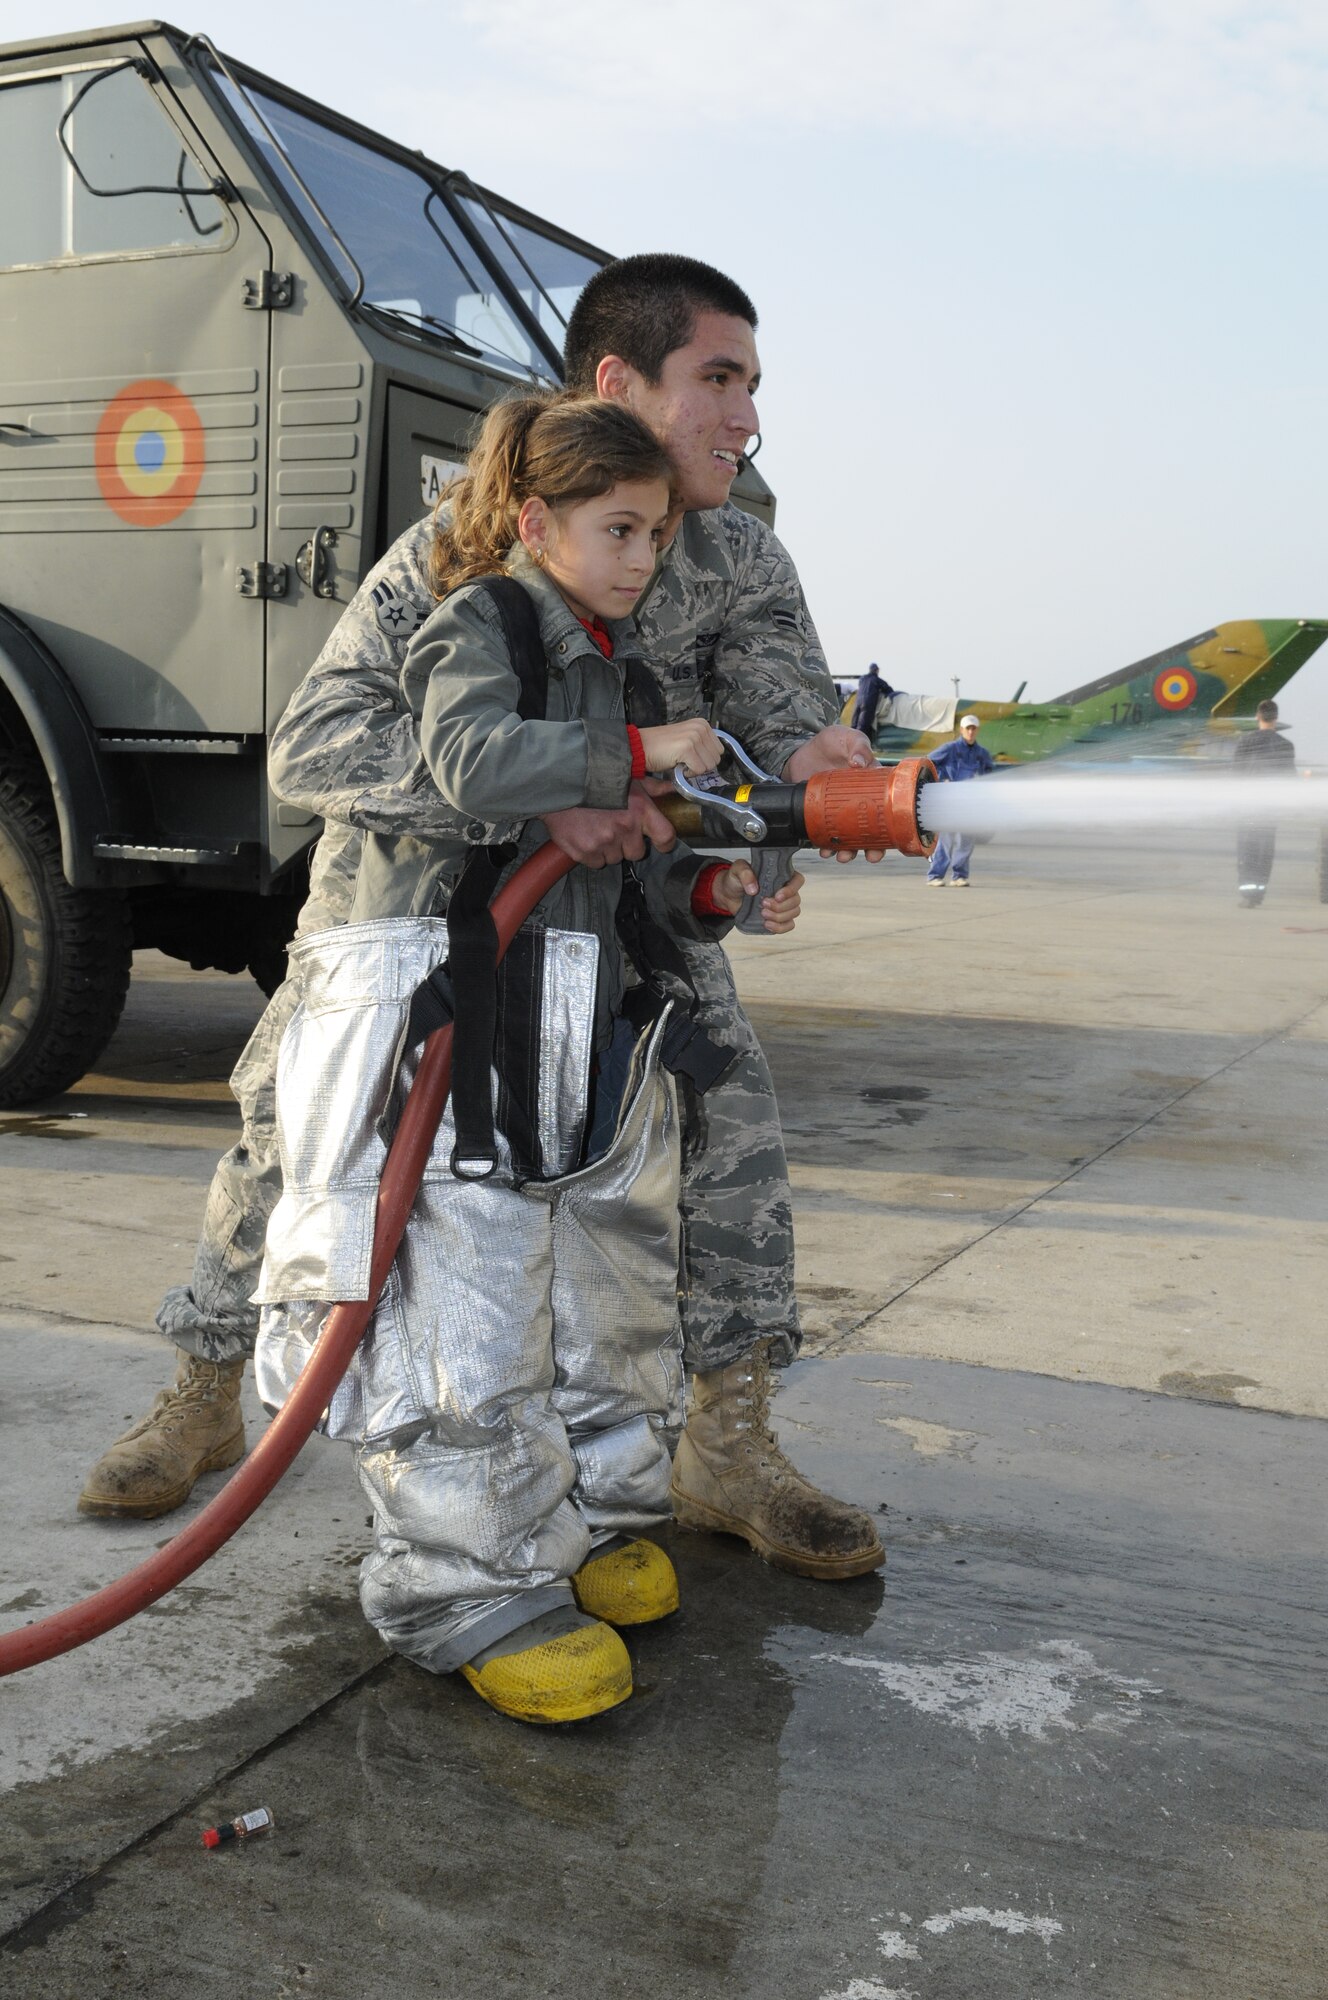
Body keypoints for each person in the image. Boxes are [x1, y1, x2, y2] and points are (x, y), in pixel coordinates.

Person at [80, 254, 887, 1586]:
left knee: (727, 1107)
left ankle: (726, 1441)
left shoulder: (737, 550)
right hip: (413, 904)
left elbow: (775, 714)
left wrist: (797, 799)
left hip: (622, 910)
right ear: (620, 385)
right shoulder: (470, 542)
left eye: (752, 386)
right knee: (294, 1118)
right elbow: (318, 746)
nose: (746, 418)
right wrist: (520, 800)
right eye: (721, 381)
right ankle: (208, 1390)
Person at [256, 393, 777, 1722]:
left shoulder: (619, 662)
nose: (643, 555)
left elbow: (631, 856)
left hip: (581, 1017)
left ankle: (586, 1522)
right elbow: (473, 760)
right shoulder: (475, 619)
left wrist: (708, 885)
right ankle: (470, 1586)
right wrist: (629, 758)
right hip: (461, 1017)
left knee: (604, 1291)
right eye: (618, 528)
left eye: (656, 533)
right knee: (468, 1307)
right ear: (536, 521)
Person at [1234, 699, 1296, 906]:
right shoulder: (1286, 746)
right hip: (1270, 809)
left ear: (1257, 716)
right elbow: (1289, 780)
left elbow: (1236, 776)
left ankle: (1247, 895)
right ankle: (1259, 893)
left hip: (1247, 808)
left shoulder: (1245, 742)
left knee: (1247, 850)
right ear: (1276, 718)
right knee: (1265, 850)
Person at [925, 714, 994, 887]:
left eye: (973, 728)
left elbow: (989, 776)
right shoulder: (950, 748)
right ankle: (935, 875)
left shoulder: (982, 754)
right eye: (967, 728)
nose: (970, 732)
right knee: (945, 841)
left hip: (969, 804)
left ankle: (959, 876)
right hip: (950, 801)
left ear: (977, 730)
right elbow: (928, 761)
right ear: (962, 730)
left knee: (966, 842)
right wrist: (941, 779)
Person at [851, 662, 893, 739]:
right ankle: (858, 744)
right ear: (877, 670)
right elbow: (889, 689)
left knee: (854, 724)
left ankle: (849, 742)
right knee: (863, 726)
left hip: (857, 702)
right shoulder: (876, 680)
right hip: (867, 703)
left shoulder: (862, 679)